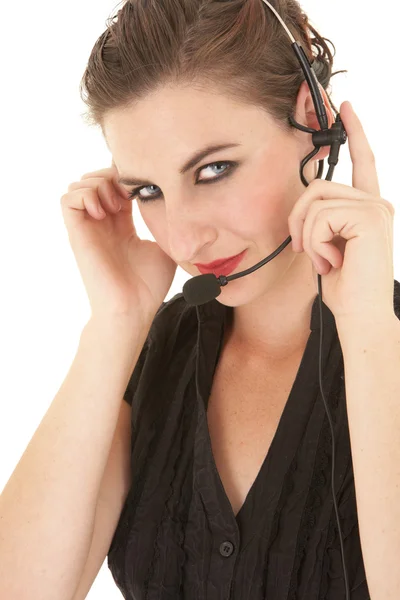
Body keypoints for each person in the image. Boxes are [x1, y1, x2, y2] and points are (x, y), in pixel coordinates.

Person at [1, 1, 393, 599]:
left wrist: (369, 331)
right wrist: (118, 320)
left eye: (213, 170)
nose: (183, 236)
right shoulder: (160, 348)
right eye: (149, 190)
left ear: (314, 122)